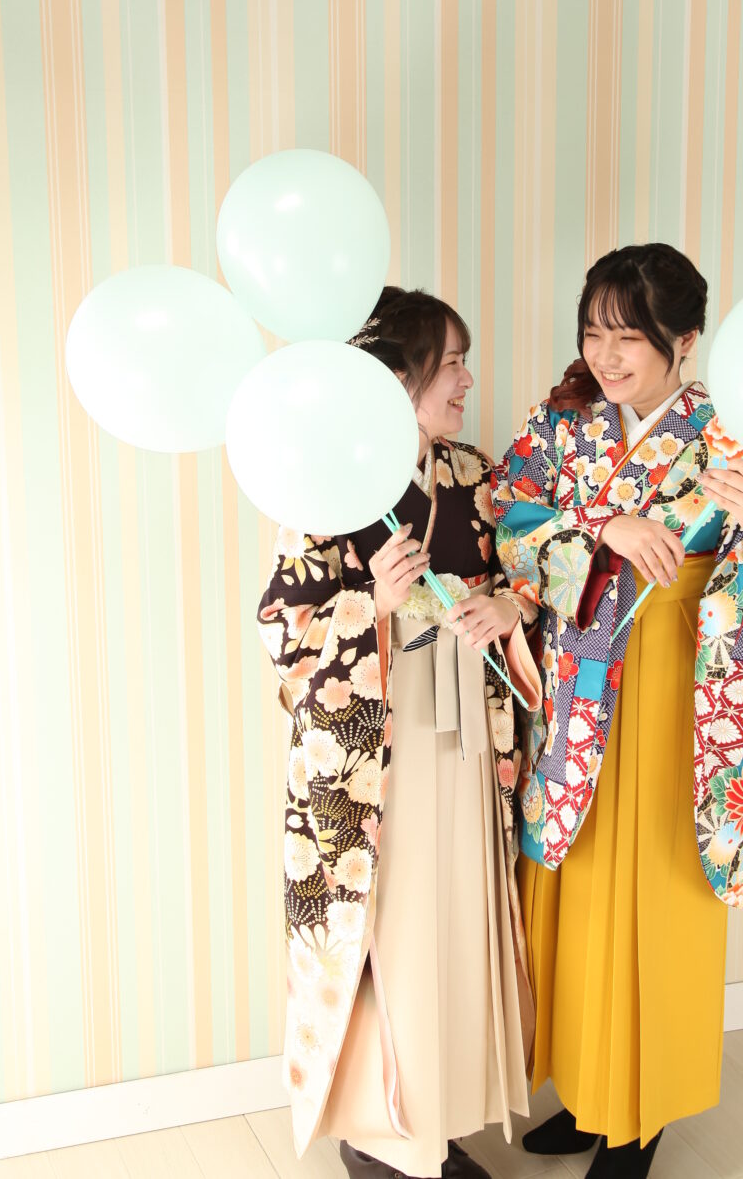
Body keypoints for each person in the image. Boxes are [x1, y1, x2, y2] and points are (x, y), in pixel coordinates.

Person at [491, 243, 743, 1179]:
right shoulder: (563, 423)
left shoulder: (730, 432)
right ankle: (588, 1092)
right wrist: (604, 525)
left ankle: (639, 1121)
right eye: (594, 334)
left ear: (684, 339)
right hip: (577, 691)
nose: (605, 356)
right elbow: (507, 519)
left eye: (627, 337)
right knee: (574, 891)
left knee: (658, 898)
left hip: (678, 690)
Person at [257, 285, 541, 1179]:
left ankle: (438, 1123)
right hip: (376, 747)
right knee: (391, 932)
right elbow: (284, 633)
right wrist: (370, 603)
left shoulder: (475, 474)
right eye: (451, 362)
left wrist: (508, 605)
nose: (467, 380)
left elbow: (532, 574)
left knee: (453, 925)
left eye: (464, 362)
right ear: (398, 375)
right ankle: (379, 1135)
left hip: (463, 733)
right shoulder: (324, 482)